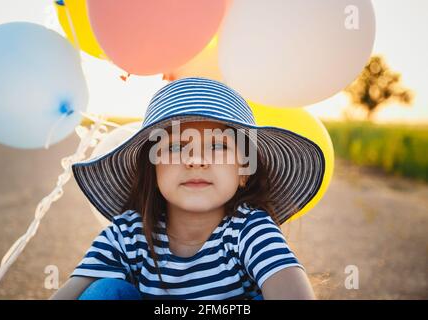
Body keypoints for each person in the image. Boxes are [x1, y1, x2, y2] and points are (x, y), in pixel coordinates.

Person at [50, 77, 325, 300]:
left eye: (219, 146)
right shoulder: (127, 234)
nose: (196, 161)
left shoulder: (249, 229)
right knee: (105, 292)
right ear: (154, 167)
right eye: (176, 147)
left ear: (244, 172)